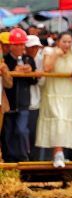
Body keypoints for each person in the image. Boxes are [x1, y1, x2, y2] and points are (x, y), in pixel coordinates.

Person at [37, 31, 72, 167]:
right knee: (57, 119)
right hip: (53, 90)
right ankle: (58, 153)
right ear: (58, 41)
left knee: (65, 120)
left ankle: (60, 153)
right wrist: (56, 54)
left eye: (69, 42)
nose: (67, 44)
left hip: (68, 90)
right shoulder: (49, 51)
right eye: (64, 41)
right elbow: (47, 68)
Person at [2, 28, 38, 161]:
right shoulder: (5, 60)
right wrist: (13, 71)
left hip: (23, 103)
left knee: (22, 130)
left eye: (23, 44)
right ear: (11, 46)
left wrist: (30, 72)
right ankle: (9, 160)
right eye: (18, 44)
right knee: (8, 132)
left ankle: (23, 158)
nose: (21, 47)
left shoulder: (29, 59)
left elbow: (34, 81)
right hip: (8, 102)